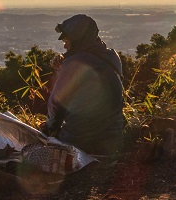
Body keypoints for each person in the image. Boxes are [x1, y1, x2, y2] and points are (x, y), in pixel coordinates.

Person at [40, 14, 125, 156]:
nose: (65, 45)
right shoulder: (112, 57)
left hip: (80, 142)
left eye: (67, 40)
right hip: (114, 140)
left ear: (78, 40)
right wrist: (63, 67)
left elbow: (56, 103)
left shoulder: (74, 62)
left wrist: (48, 129)